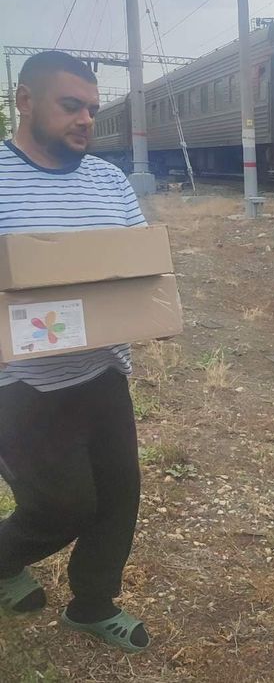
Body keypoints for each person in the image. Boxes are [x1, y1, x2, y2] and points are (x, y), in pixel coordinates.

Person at [0, 51, 150, 651]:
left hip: (102, 367)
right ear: (25, 101)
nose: (86, 119)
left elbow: (141, 269)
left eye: (91, 107)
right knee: (62, 506)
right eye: (70, 106)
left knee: (118, 496)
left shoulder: (109, 181)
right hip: (20, 384)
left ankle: (92, 604)